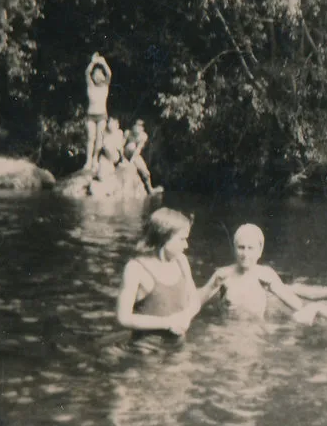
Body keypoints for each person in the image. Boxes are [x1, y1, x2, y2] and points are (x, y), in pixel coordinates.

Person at [115, 208, 200, 341]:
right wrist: (168, 323)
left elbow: (195, 300)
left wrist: (186, 316)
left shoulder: (181, 261)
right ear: (164, 238)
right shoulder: (136, 268)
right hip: (146, 349)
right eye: (182, 239)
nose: (186, 245)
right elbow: (123, 317)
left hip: (178, 346)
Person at [196, 224, 305, 319]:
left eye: (250, 248)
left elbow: (298, 306)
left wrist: (273, 288)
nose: (245, 254)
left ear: (259, 251)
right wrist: (212, 286)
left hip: (255, 331)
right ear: (234, 249)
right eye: (241, 247)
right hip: (228, 331)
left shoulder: (266, 275)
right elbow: (193, 304)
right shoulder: (224, 274)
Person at [84, 53, 113, 172]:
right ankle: (88, 161)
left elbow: (109, 74)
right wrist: (93, 62)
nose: (97, 76)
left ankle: (95, 159)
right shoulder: (90, 86)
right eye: (95, 74)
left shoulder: (105, 87)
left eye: (99, 74)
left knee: (99, 139)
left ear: (102, 76)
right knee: (90, 137)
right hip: (91, 115)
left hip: (101, 116)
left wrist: (103, 62)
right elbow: (87, 73)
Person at [124, 119, 158, 194]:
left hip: (135, 155)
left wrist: (131, 161)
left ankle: (150, 188)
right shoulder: (127, 133)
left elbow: (138, 150)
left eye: (139, 126)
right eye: (136, 125)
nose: (137, 128)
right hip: (125, 152)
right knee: (131, 145)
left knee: (146, 172)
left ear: (142, 128)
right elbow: (121, 145)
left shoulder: (143, 136)